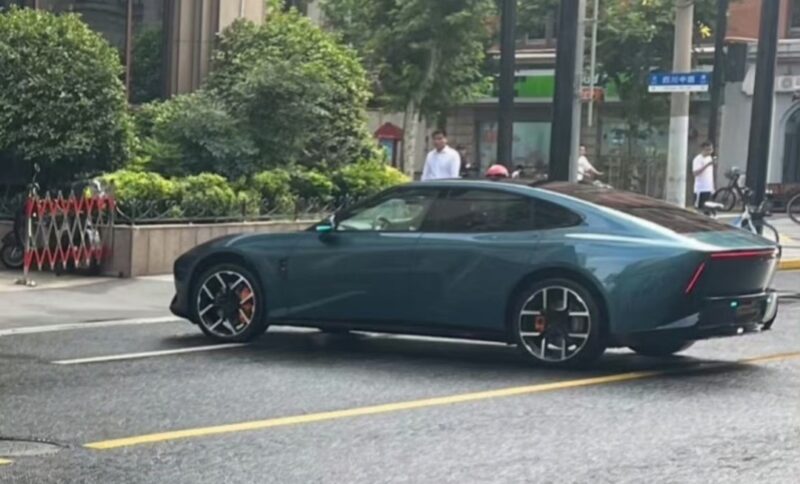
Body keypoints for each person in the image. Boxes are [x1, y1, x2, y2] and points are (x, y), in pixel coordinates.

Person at [692, 141, 716, 209]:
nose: (710, 151)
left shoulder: (709, 158)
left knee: (707, 209)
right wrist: (707, 165)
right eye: (708, 150)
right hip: (700, 189)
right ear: (703, 149)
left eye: (711, 149)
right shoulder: (698, 159)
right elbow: (695, 173)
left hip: (709, 188)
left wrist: (712, 187)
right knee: (700, 208)